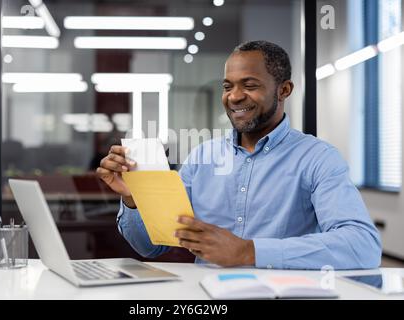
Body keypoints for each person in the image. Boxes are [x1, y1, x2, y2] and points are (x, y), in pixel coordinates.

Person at [96, 40, 382, 270]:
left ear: (284, 90)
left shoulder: (318, 158)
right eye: (228, 86)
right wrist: (134, 199)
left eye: (250, 85)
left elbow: (362, 246)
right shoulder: (202, 157)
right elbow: (150, 246)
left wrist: (250, 252)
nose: (234, 96)